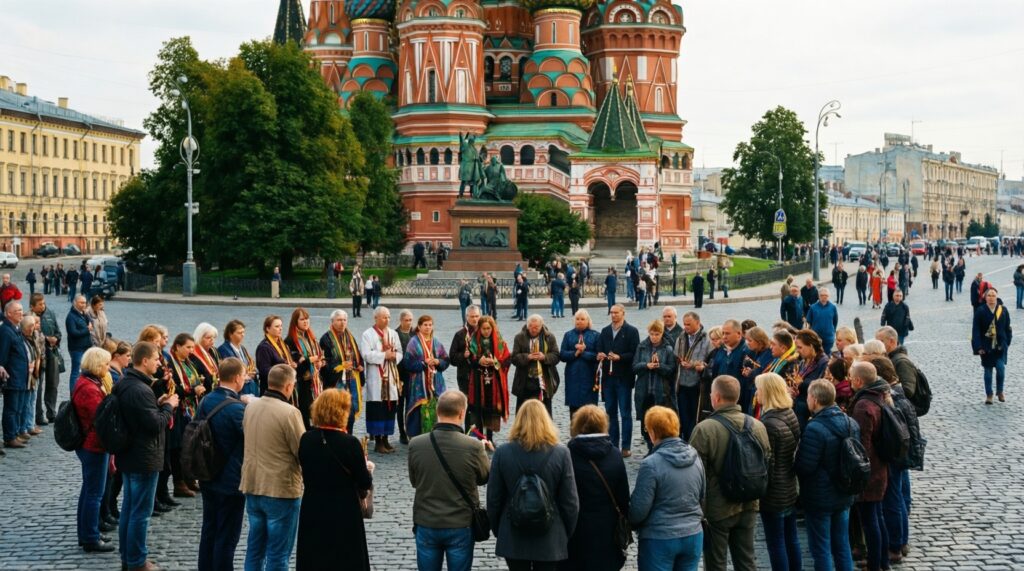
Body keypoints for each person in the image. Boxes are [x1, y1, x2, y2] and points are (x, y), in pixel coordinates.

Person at [689, 375, 771, 571]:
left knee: (716, 563)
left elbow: (695, 473)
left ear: (716, 397)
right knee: (746, 561)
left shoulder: (704, 429)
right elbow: (766, 460)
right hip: (749, 502)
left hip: (718, 507)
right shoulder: (758, 426)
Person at [487, 399, 580, 570]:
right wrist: (564, 532)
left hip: (513, 535)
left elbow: (493, 499)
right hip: (550, 535)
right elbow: (570, 502)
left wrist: (500, 530)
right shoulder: (561, 453)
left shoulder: (502, 453)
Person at [408, 390, 491, 571]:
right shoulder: (474, 446)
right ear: (462, 414)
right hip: (460, 523)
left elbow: (415, 481)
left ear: (438, 411)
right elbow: (485, 478)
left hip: (426, 521)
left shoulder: (416, 444)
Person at [115, 342, 178, 571]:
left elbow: (143, 415)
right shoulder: (140, 389)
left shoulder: (127, 382)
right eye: (156, 359)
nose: (159, 363)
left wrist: (157, 404)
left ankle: (127, 556)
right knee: (140, 513)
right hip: (143, 457)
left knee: (130, 510)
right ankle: (137, 561)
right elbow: (154, 424)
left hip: (131, 455)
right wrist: (168, 406)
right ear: (144, 361)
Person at [296, 389, 374, 571]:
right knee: (345, 558)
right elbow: (364, 482)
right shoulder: (350, 443)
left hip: (313, 506)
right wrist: (368, 469)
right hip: (344, 509)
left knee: (315, 557)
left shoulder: (306, 439)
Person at [240, 364, 306, 571]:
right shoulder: (290, 413)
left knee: (255, 549)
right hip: (280, 488)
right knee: (278, 553)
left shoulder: (251, 406)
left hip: (252, 484)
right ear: (288, 386)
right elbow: (300, 450)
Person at [629, 406, 705, 571]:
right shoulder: (695, 457)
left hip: (659, 538)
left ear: (653, 433)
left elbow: (639, 510)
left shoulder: (651, 464)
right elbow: (702, 496)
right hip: (692, 535)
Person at [795, 379, 858, 571]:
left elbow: (805, 466)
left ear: (814, 399)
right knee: (842, 544)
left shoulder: (814, 428)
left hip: (820, 496)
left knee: (821, 547)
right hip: (844, 491)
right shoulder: (851, 422)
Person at [563, 405, 630, 571]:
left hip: (576, 533)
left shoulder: (568, 455)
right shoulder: (614, 455)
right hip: (606, 532)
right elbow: (623, 497)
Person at [196, 358, 248, 571]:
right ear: (237, 378)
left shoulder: (206, 399)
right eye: (244, 376)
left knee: (209, 529)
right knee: (227, 536)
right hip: (230, 479)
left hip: (208, 473)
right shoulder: (236, 409)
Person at [754, 373, 802, 571]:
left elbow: (768, 464)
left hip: (775, 492)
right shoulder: (789, 412)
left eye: (758, 389)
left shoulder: (768, 423)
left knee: (776, 542)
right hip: (789, 486)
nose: (756, 393)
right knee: (791, 537)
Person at [848, 361, 892, 571]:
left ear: (858, 380)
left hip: (870, 471)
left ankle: (876, 564)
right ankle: (883, 562)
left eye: (850, 376)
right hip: (879, 467)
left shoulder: (863, 406)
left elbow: (861, 445)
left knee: (871, 521)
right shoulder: (879, 397)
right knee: (877, 517)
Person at [71, 347, 115, 553]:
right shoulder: (89, 388)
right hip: (93, 445)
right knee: (94, 493)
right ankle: (90, 536)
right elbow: (101, 417)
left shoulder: (89, 382)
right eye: (106, 364)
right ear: (97, 365)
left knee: (89, 490)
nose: (108, 368)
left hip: (93, 443)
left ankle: (87, 532)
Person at [596, 304, 640, 457]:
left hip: (624, 378)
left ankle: (626, 446)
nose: (613, 315)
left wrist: (620, 357)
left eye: (616, 313)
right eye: (611, 313)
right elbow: (599, 349)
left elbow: (635, 354)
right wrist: (600, 355)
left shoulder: (631, 331)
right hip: (608, 378)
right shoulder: (605, 331)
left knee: (625, 412)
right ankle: (613, 444)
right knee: (610, 412)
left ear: (623, 313)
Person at [361, 306, 403, 453]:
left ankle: (386, 437)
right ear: (376, 318)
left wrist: (394, 356)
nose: (387, 320)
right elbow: (366, 355)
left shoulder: (393, 334)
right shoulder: (368, 334)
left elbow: (399, 352)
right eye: (384, 317)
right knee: (377, 409)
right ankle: (377, 440)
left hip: (390, 376)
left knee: (389, 408)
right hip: (376, 378)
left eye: (389, 317)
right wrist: (384, 355)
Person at [633, 320, 678, 453]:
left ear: (661, 334)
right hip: (644, 391)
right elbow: (634, 367)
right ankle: (649, 446)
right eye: (652, 334)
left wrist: (659, 366)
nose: (654, 337)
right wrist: (646, 365)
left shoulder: (668, 349)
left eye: (657, 334)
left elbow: (671, 370)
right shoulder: (642, 347)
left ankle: (659, 448)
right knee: (645, 422)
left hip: (661, 392)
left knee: (660, 422)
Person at [404, 315, 450, 439]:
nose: (428, 327)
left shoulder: (436, 342)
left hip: (436, 384)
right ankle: (416, 437)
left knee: (437, 409)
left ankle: (436, 436)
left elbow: (446, 360)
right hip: (419, 384)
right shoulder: (413, 343)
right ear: (419, 326)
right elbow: (407, 363)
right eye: (425, 325)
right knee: (418, 412)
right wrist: (424, 363)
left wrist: (437, 362)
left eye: (430, 324)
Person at [319, 310, 364, 433]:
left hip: (351, 379)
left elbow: (357, 354)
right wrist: (340, 366)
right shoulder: (326, 339)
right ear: (332, 322)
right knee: (339, 411)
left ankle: (349, 434)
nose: (342, 323)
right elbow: (325, 362)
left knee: (352, 410)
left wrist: (360, 365)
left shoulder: (349, 336)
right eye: (339, 320)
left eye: (344, 320)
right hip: (336, 381)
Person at [467, 315, 511, 441]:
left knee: (491, 410)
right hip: (477, 380)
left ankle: (490, 437)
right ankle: (480, 436)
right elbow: (469, 360)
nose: (486, 331)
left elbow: (507, 360)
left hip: (494, 382)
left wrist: (495, 362)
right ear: (479, 329)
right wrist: (478, 360)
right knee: (479, 408)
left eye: (488, 328)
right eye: (484, 328)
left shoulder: (500, 342)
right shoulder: (473, 342)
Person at [511, 314, 561, 413]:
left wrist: (544, 357)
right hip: (525, 380)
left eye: (536, 327)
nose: (533, 330)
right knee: (523, 412)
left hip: (544, 380)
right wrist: (527, 357)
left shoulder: (549, 337)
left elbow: (556, 356)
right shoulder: (519, 337)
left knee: (545, 413)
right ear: (527, 326)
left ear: (541, 326)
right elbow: (514, 358)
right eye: (531, 327)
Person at [675, 311, 711, 441]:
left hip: (698, 384)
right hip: (682, 383)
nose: (686, 327)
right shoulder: (681, 337)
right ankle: (685, 439)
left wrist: (696, 365)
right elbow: (676, 355)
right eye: (684, 324)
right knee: (683, 416)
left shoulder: (707, 339)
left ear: (698, 323)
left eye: (689, 325)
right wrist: (680, 361)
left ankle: (694, 441)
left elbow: (710, 361)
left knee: (695, 416)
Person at [287, 308, 325, 429]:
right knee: (304, 416)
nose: (305, 322)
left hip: (315, 382)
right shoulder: (290, 341)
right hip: (301, 384)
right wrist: (310, 360)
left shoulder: (311, 338)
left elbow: (320, 356)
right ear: (295, 321)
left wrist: (320, 362)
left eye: (307, 319)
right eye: (302, 319)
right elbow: (296, 363)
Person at [972, 287, 1011, 405]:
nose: (991, 298)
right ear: (985, 297)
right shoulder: (980, 311)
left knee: (1000, 369)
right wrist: (979, 347)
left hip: (1000, 346)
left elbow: (1008, 328)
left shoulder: (1003, 310)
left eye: (993, 295)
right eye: (989, 295)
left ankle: (1000, 391)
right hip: (986, 346)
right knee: (988, 371)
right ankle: (989, 394)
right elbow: (976, 330)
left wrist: (1007, 342)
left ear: (997, 296)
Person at [559, 309, 600, 419]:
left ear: (588, 321)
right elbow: (562, 355)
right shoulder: (568, 335)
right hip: (573, 377)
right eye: (577, 319)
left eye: (582, 319)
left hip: (589, 376)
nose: (579, 321)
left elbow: (598, 356)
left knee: (590, 411)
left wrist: (583, 353)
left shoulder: (595, 335)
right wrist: (575, 353)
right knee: (574, 411)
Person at [1, 303, 31, 449]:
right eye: (17, 310)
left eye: (21, 309)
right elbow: (3, 354)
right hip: (12, 375)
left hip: (21, 375)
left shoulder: (15, 329)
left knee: (18, 407)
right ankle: (10, 437)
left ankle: (15, 432)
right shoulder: (6, 331)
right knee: (11, 408)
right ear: (9, 314)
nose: (21, 313)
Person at [30, 294, 62, 425]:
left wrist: (56, 339)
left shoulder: (50, 313)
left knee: (53, 384)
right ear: (32, 306)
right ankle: (38, 415)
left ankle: (51, 412)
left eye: (44, 303)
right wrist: (47, 338)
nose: (43, 306)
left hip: (52, 353)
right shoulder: (29, 317)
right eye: (40, 304)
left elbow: (58, 331)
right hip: (38, 356)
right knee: (39, 386)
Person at [792, 329, 830, 429]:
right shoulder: (803, 361)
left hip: (810, 411)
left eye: (800, 347)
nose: (797, 350)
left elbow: (823, 386)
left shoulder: (824, 362)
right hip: (799, 407)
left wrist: (802, 383)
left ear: (811, 346)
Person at [217, 319, 260, 397]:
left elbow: (250, 364)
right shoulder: (223, 349)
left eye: (243, 332)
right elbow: (228, 372)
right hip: (238, 391)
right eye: (239, 333)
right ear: (230, 334)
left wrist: (253, 372)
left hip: (250, 387)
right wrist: (245, 375)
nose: (243, 335)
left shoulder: (242, 348)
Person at [255, 315, 294, 396]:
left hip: (285, 385)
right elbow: (264, 370)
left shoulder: (282, 343)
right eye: (277, 326)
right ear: (267, 329)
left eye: (281, 326)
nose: (280, 328)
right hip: (272, 390)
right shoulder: (264, 347)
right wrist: (283, 367)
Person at [66, 294, 93, 394]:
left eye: (85, 302)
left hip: (86, 347)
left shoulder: (84, 314)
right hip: (76, 348)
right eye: (81, 302)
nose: (84, 304)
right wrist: (87, 330)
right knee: (75, 372)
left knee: (85, 372)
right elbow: (73, 333)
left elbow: (90, 324)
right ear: (75, 303)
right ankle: (73, 394)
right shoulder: (71, 317)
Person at [396, 309, 416, 444]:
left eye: (410, 320)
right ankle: (401, 432)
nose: (408, 323)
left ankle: (410, 431)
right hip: (399, 374)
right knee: (400, 404)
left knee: (411, 404)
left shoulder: (415, 333)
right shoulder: (395, 334)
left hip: (413, 375)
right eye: (406, 320)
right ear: (401, 321)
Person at [806, 288, 839, 354]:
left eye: (826, 295)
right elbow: (809, 321)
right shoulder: (813, 307)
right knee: (816, 355)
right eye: (822, 295)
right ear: (818, 296)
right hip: (816, 337)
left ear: (828, 296)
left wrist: (833, 331)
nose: (824, 297)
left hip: (828, 337)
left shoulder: (833, 307)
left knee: (827, 355)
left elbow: (835, 321)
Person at [191, 323, 221, 394]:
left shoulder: (214, 351)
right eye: (208, 337)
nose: (212, 340)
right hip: (203, 390)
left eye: (213, 337)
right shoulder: (192, 354)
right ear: (199, 337)